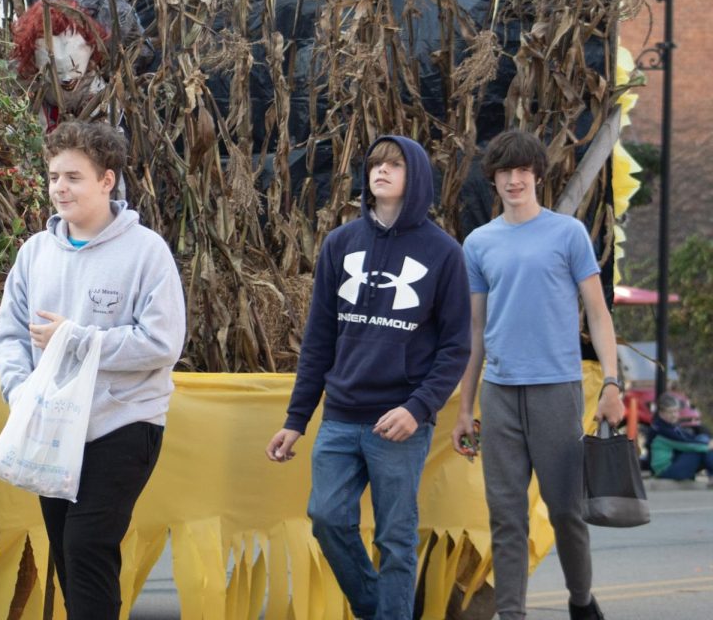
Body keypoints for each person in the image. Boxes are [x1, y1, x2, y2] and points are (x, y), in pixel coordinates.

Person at [266, 136, 471, 620]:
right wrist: (296, 420)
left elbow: (456, 346)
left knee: (394, 538)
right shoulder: (341, 243)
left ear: (415, 175)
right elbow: (318, 340)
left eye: (394, 164)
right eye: (375, 163)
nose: (381, 170)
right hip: (340, 415)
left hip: (399, 419)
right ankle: (378, 608)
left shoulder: (444, 253)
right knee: (327, 517)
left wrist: (417, 409)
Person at [0, 120, 185, 620]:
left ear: (107, 181)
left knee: (87, 547)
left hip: (123, 423)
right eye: (54, 176)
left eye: (73, 177)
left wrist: (76, 339)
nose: (60, 187)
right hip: (51, 426)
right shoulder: (35, 253)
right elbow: (9, 336)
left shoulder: (146, 252)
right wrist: (21, 392)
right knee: (67, 553)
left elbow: (161, 343)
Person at [450, 129, 625, 620]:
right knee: (506, 517)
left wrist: (611, 382)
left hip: (557, 389)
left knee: (567, 511)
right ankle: (512, 614)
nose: (514, 180)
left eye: (523, 170)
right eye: (504, 172)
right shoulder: (479, 243)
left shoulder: (566, 233)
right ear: (494, 180)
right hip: (500, 394)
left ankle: (581, 600)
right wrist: (466, 408)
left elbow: (597, 311)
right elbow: (476, 330)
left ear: (538, 175)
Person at [649, 392, 713, 481]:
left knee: (702, 438)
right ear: (661, 413)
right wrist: (708, 446)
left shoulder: (671, 425)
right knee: (699, 450)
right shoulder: (661, 430)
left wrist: (707, 443)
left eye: (676, 411)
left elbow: (690, 438)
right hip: (665, 471)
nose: (674, 415)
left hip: (674, 463)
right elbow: (685, 444)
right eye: (670, 412)